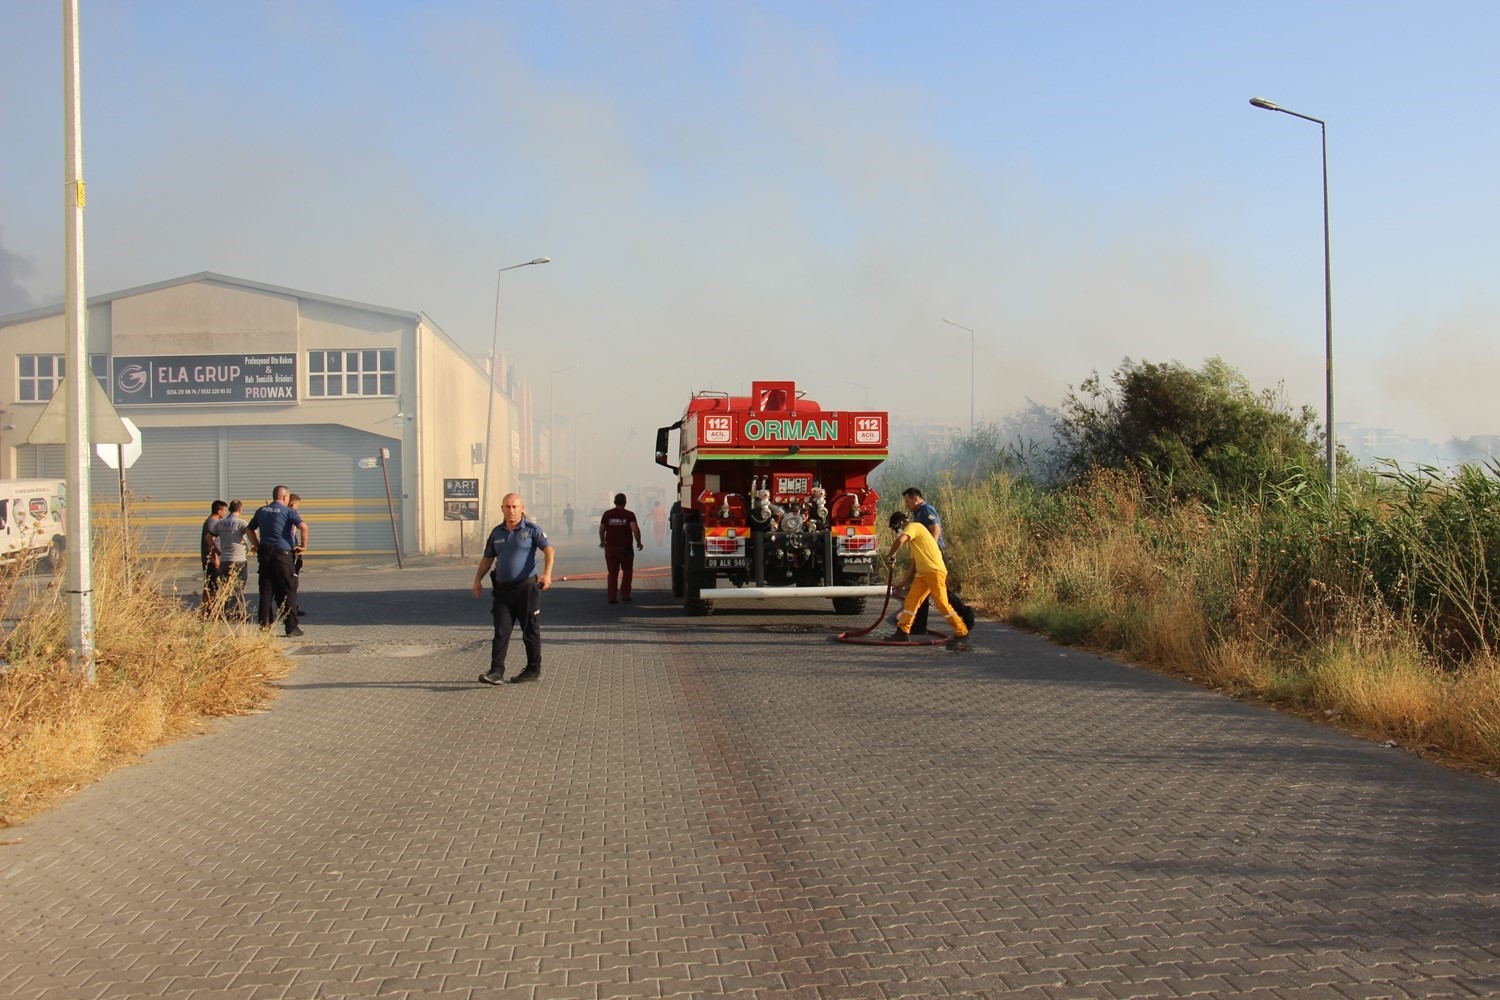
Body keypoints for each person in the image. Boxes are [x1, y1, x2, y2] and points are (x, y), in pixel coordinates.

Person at [473, 493, 554, 685]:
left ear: (522, 508)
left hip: (526, 589)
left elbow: (549, 551)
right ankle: (496, 671)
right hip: (502, 592)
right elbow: (488, 558)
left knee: (530, 631)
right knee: (501, 631)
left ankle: (533, 670)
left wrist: (547, 574)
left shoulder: (532, 530)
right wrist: (477, 580)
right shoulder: (497, 533)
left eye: (515, 507)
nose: (511, 510)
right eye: (507, 507)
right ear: (502, 509)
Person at [884, 510, 971, 651]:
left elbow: (900, 540)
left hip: (934, 571)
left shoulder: (913, 526)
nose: (897, 531)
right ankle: (902, 631)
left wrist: (890, 556)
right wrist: (901, 584)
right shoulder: (915, 541)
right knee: (911, 601)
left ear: (900, 523)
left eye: (896, 528)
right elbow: (913, 565)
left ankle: (963, 634)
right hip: (923, 574)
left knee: (942, 603)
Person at [902, 487, 976, 636]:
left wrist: (932, 551)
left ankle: (965, 613)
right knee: (925, 590)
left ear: (915, 498)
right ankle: (919, 626)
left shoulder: (926, 510)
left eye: (907, 501)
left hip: (935, 555)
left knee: (940, 592)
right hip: (928, 557)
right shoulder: (918, 513)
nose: (906, 504)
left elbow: (935, 529)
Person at [246, 485, 308, 637]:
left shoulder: (261, 510)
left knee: (266, 592)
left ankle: (265, 627)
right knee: (288, 590)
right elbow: (304, 527)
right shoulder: (288, 511)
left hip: (266, 555)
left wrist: (257, 546)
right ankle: (291, 628)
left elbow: (249, 530)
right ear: (285, 497)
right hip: (283, 555)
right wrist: (303, 546)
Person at [209, 500, 251, 620]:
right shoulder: (241, 523)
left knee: (225, 588)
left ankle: (222, 613)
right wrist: (255, 545)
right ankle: (237, 613)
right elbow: (251, 532)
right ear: (240, 510)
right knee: (239, 587)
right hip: (239, 559)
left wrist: (217, 551)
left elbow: (208, 538)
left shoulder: (220, 523)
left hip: (225, 560)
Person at [599, 492, 643, 603]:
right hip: (625, 549)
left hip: (610, 548)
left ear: (614, 502)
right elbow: (635, 530)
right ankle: (625, 595)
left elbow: (601, 529)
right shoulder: (629, 515)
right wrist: (639, 542)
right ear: (625, 502)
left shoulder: (607, 514)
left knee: (612, 573)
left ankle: (612, 597)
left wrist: (602, 541)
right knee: (627, 571)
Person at [200, 500, 227, 615]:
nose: (226, 513)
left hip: (210, 558)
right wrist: (216, 557)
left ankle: (208, 611)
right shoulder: (212, 522)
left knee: (211, 584)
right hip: (211, 560)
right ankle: (208, 611)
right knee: (212, 586)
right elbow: (211, 542)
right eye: (225, 510)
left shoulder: (213, 521)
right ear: (219, 511)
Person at [287, 492, 306, 618]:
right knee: (292, 581)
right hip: (291, 550)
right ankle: (291, 608)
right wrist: (302, 547)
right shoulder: (291, 513)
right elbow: (303, 528)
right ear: (293, 503)